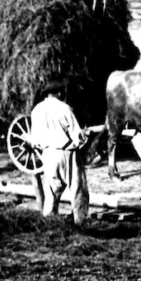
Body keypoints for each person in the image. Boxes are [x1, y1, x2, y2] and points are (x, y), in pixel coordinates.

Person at [29, 79, 90, 224]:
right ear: (60, 92)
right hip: (66, 153)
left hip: (47, 155)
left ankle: (50, 225)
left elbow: (34, 138)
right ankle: (80, 224)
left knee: (51, 193)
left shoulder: (36, 110)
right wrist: (84, 137)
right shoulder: (64, 108)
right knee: (77, 190)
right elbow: (77, 136)